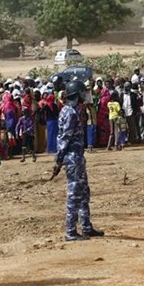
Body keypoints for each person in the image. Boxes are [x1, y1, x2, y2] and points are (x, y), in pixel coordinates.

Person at [53, 80, 104, 241]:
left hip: (77, 157)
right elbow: (64, 138)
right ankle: (70, 231)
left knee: (83, 193)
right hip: (72, 158)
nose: (84, 95)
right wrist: (58, 160)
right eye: (82, 93)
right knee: (74, 194)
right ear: (76, 94)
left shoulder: (75, 110)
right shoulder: (70, 112)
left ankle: (86, 227)